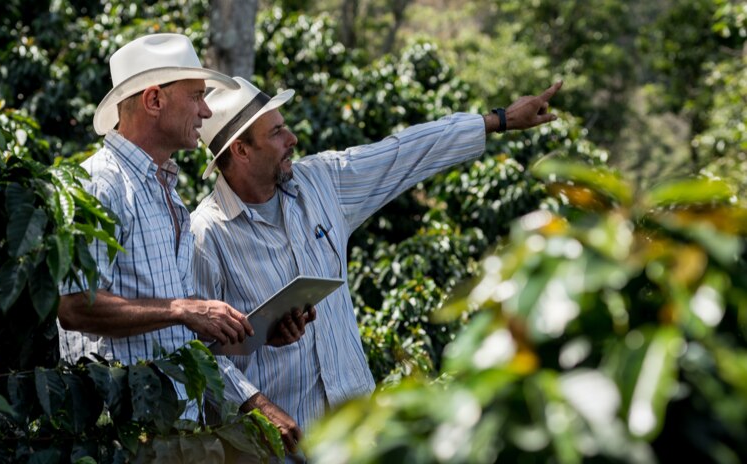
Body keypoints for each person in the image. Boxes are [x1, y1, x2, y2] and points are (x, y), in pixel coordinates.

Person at [190, 76, 562, 455]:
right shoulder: (207, 234)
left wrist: (498, 120)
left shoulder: (321, 183)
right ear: (241, 151)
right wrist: (258, 405)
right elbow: (194, 352)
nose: (292, 140)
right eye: (277, 132)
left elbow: (404, 152)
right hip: (275, 448)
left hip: (357, 434)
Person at [56, 33, 307, 421]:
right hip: (121, 434)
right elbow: (73, 306)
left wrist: (251, 333)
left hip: (174, 432)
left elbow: (177, 327)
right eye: (196, 97)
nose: (206, 112)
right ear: (154, 100)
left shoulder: (169, 196)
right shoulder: (98, 184)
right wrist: (181, 309)